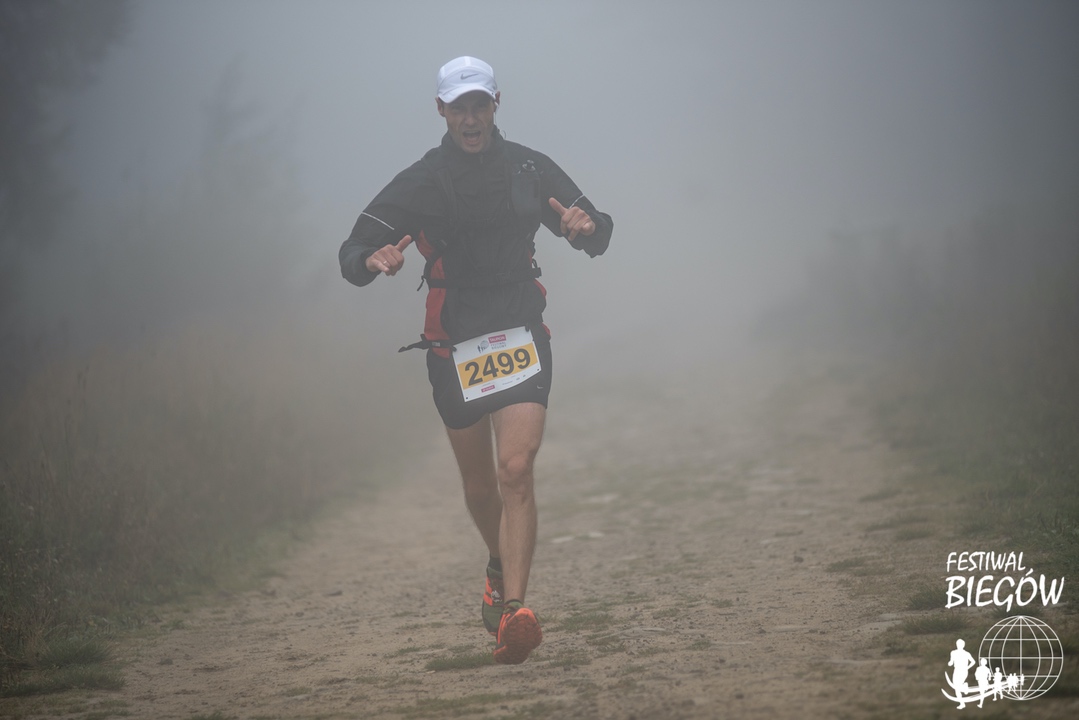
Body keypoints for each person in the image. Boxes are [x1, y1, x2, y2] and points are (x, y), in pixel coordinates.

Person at [339, 56, 612, 665]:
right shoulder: (422, 181)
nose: (470, 118)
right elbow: (352, 250)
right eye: (458, 107)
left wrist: (584, 227)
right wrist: (372, 261)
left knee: (515, 468)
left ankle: (515, 611)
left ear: (495, 105)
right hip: (453, 342)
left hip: (519, 331)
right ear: (441, 110)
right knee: (481, 485)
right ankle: (497, 560)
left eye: (479, 105)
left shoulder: (529, 168)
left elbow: (597, 229)